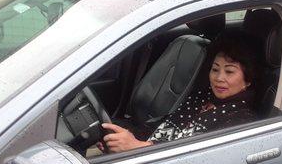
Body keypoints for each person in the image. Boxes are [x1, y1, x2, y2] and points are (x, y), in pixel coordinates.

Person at [100, 31, 259, 153]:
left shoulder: (241, 120)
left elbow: (191, 159)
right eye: (215, 69)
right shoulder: (201, 97)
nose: (218, 78)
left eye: (229, 72)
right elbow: (162, 125)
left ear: (248, 80)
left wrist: (137, 147)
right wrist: (121, 138)